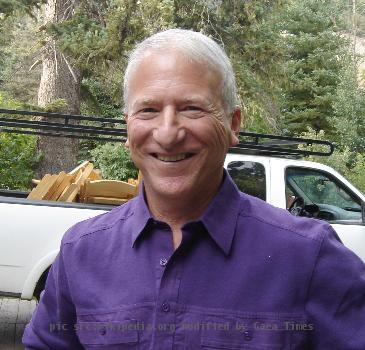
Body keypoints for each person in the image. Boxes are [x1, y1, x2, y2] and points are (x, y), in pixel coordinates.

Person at [23, 29, 365, 350]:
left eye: (191, 108)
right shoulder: (81, 253)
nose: (168, 132)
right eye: (149, 110)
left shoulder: (309, 257)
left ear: (233, 124)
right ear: (128, 127)